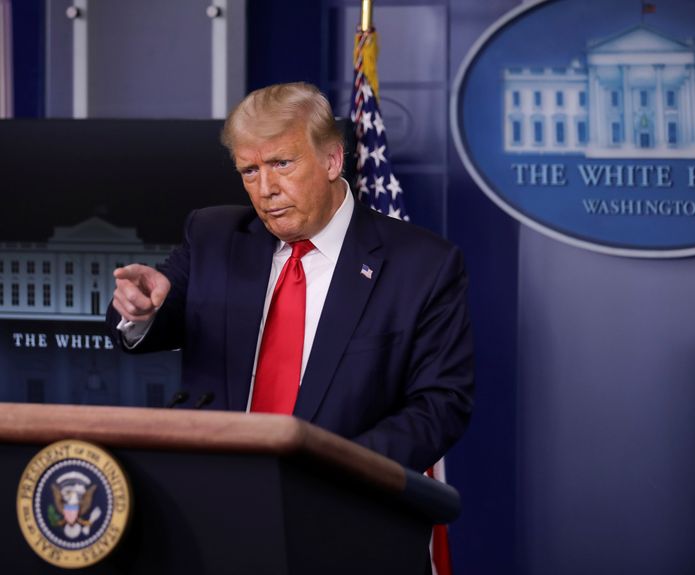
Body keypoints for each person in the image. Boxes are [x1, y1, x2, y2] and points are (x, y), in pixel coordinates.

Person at [107, 82, 474, 473]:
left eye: (282, 164)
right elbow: (141, 329)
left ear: (332, 160)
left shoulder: (421, 265)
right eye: (250, 171)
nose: (266, 190)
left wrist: (338, 469)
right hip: (214, 496)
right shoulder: (213, 237)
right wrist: (141, 312)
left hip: (344, 505)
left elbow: (440, 404)